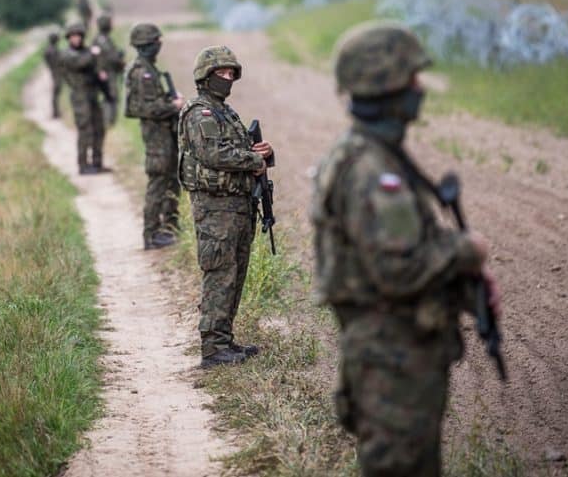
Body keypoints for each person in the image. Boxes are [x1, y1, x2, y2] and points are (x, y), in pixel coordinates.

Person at [310, 24, 499, 476]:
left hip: (393, 356)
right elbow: (398, 268)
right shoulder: (374, 170)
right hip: (392, 361)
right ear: (388, 88)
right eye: (412, 80)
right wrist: (465, 251)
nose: (420, 90)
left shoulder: (371, 154)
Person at [178, 45, 273, 368]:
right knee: (220, 272)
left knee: (235, 272)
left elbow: (238, 149)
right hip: (215, 207)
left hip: (236, 205)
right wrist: (253, 160)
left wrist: (261, 152)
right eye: (222, 72)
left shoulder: (224, 111)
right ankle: (213, 347)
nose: (228, 78)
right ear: (206, 76)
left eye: (232, 73)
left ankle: (224, 339)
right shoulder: (200, 112)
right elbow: (213, 155)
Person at [123, 23, 182, 250]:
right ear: (146, 45)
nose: (159, 45)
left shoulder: (149, 68)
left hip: (163, 134)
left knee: (169, 179)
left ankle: (168, 227)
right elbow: (146, 108)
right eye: (156, 41)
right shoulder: (143, 73)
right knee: (158, 181)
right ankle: (151, 234)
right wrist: (173, 105)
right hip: (157, 136)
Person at [60, 22, 111, 174]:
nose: (75, 39)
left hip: (92, 94)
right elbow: (80, 63)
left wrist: (101, 75)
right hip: (80, 96)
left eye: (78, 36)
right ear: (69, 38)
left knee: (99, 129)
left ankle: (97, 162)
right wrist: (93, 54)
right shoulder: (67, 54)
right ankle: (83, 165)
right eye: (73, 37)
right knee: (85, 130)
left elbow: (97, 66)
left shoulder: (87, 51)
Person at [93, 14, 126, 125]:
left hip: (107, 72)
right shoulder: (103, 40)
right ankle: (108, 121)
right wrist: (119, 56)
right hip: (107, 73)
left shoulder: (102, 38)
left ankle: (108, 121)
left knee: (110, 97)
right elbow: (112, 57)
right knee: (110, 97)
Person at [43, 30, 63, 119]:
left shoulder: (49, 49)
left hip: (54, 72)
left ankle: (56, 111)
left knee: (56, 93)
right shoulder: (53, 50)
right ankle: (55, 112)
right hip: (56, 72)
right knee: (56, 92)